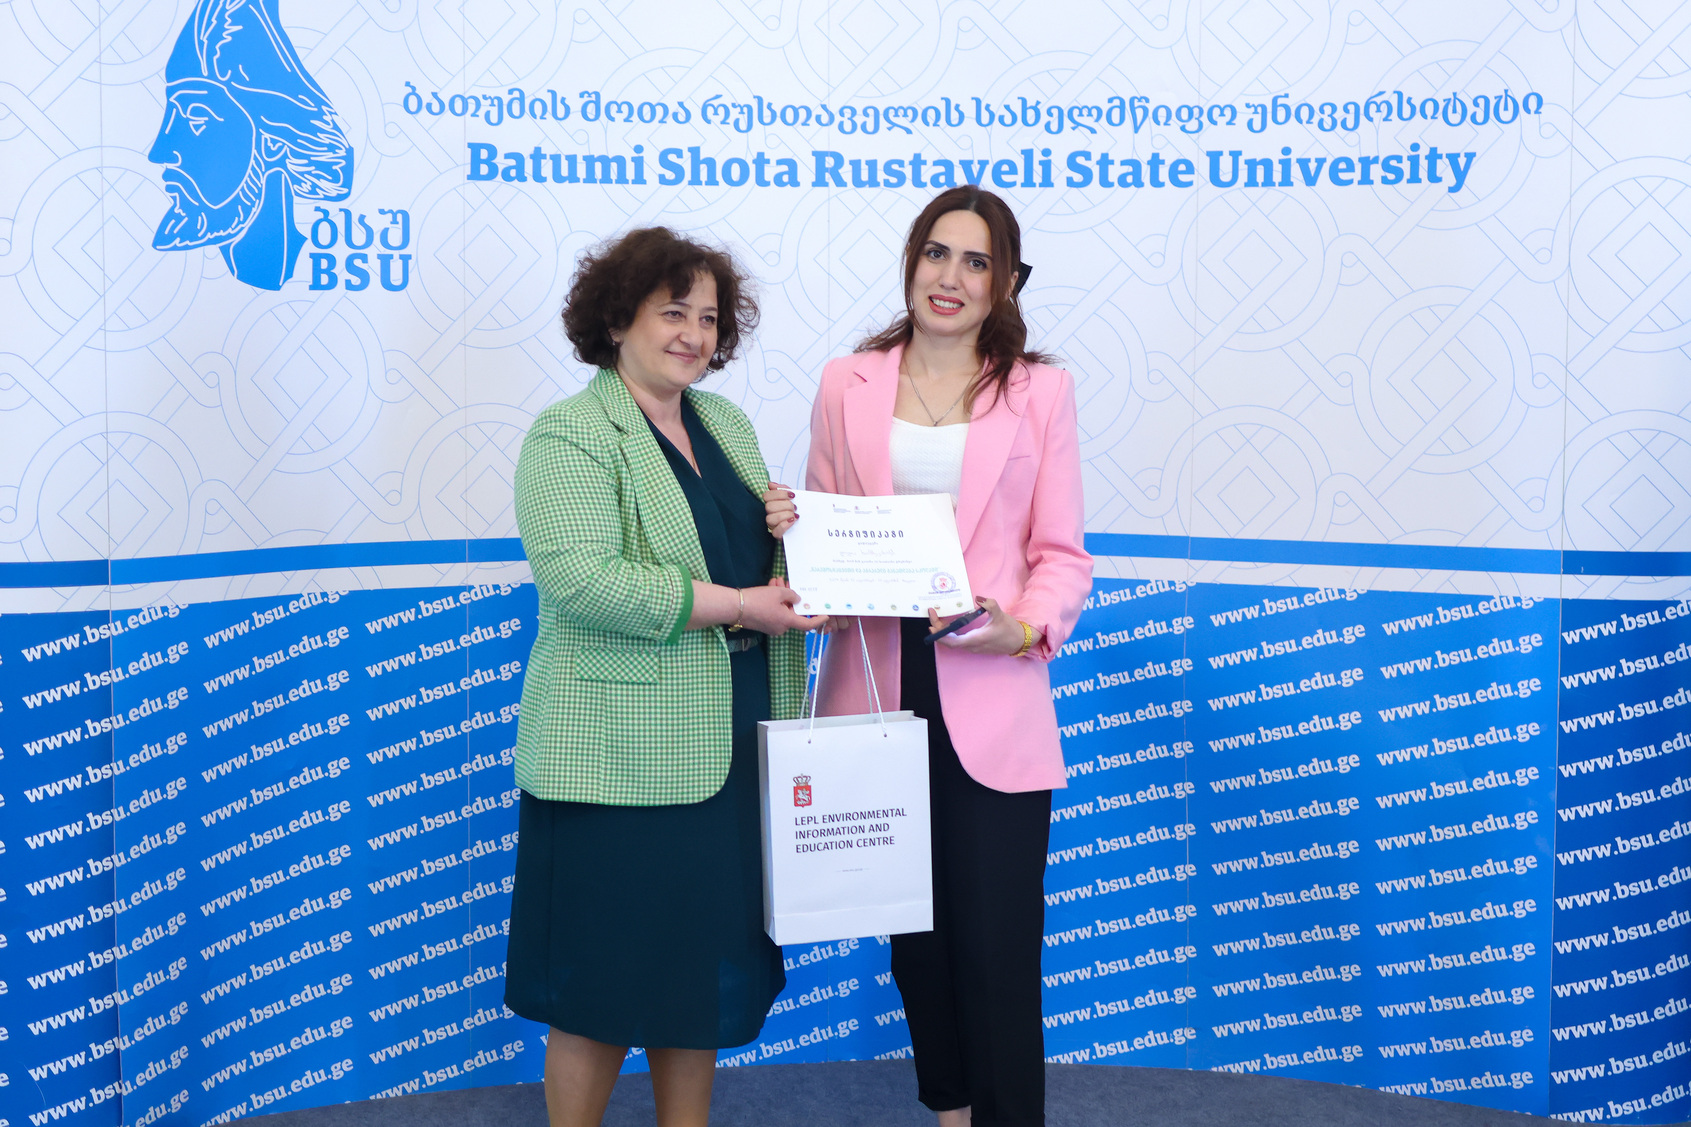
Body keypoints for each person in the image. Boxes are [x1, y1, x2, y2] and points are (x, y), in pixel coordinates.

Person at [766, 186, 1092, 1127]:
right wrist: (794, 535)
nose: (951, 276)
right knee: (916, 939)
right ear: (911, 262)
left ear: (1005, 282)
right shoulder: (847, 381)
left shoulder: (1039, 391)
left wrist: (1020, 627)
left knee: (999, 943)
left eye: (976, 261)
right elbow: (825, 529)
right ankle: (949, 1112)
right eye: (936, 253)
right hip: (874, 683)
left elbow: (1061, 554)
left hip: (992, 684)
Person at [506, 227, 824, 1127]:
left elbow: (748, 563)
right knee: (599, 988)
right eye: (672, 312)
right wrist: (741, 604)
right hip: (615, 760)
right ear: (618, 320)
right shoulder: (570, 432)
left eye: (709, 318)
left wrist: (794, 537)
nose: (693, 334)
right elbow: (584, 580)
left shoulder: (724, 425)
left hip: (730, 742)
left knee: (698, 978)